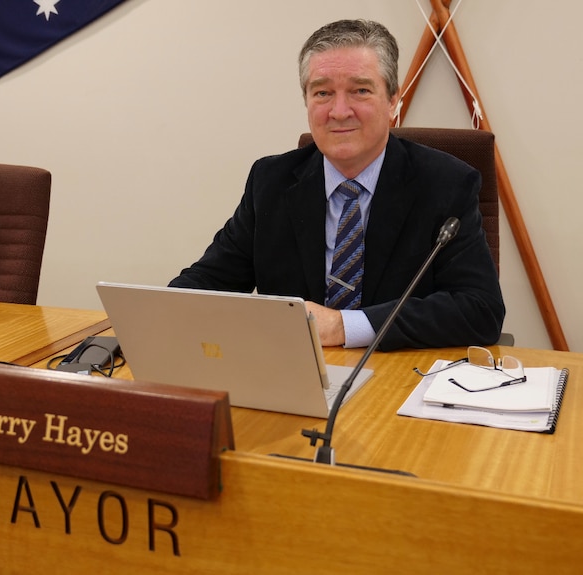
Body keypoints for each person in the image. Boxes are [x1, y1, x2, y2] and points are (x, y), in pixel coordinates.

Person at [169, 19, 505, 351]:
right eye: (323, 93)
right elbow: (209, 282)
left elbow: (480, 310)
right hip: (297, 379)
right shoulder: (270, 182)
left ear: (392, 101)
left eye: (360, 90)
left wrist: (344, 327)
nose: (339, 111)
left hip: (399, 381)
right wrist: (155, 312)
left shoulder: (446, 184)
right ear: (307, 102)